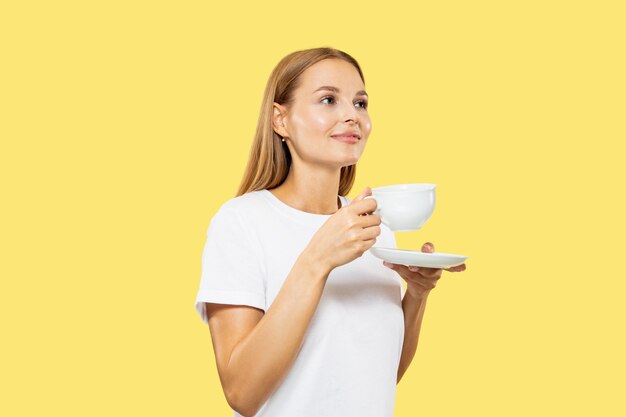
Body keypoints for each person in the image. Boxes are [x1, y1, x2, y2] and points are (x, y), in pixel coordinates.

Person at [194, 47, 467, 417]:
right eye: (328, 99)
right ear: (281, 120)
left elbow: (379, 376)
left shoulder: (373, 227)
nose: (351, 116)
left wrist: (416, 295)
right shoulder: (241, 222)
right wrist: (317, 259)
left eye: (360, 103)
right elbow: (242, 393)